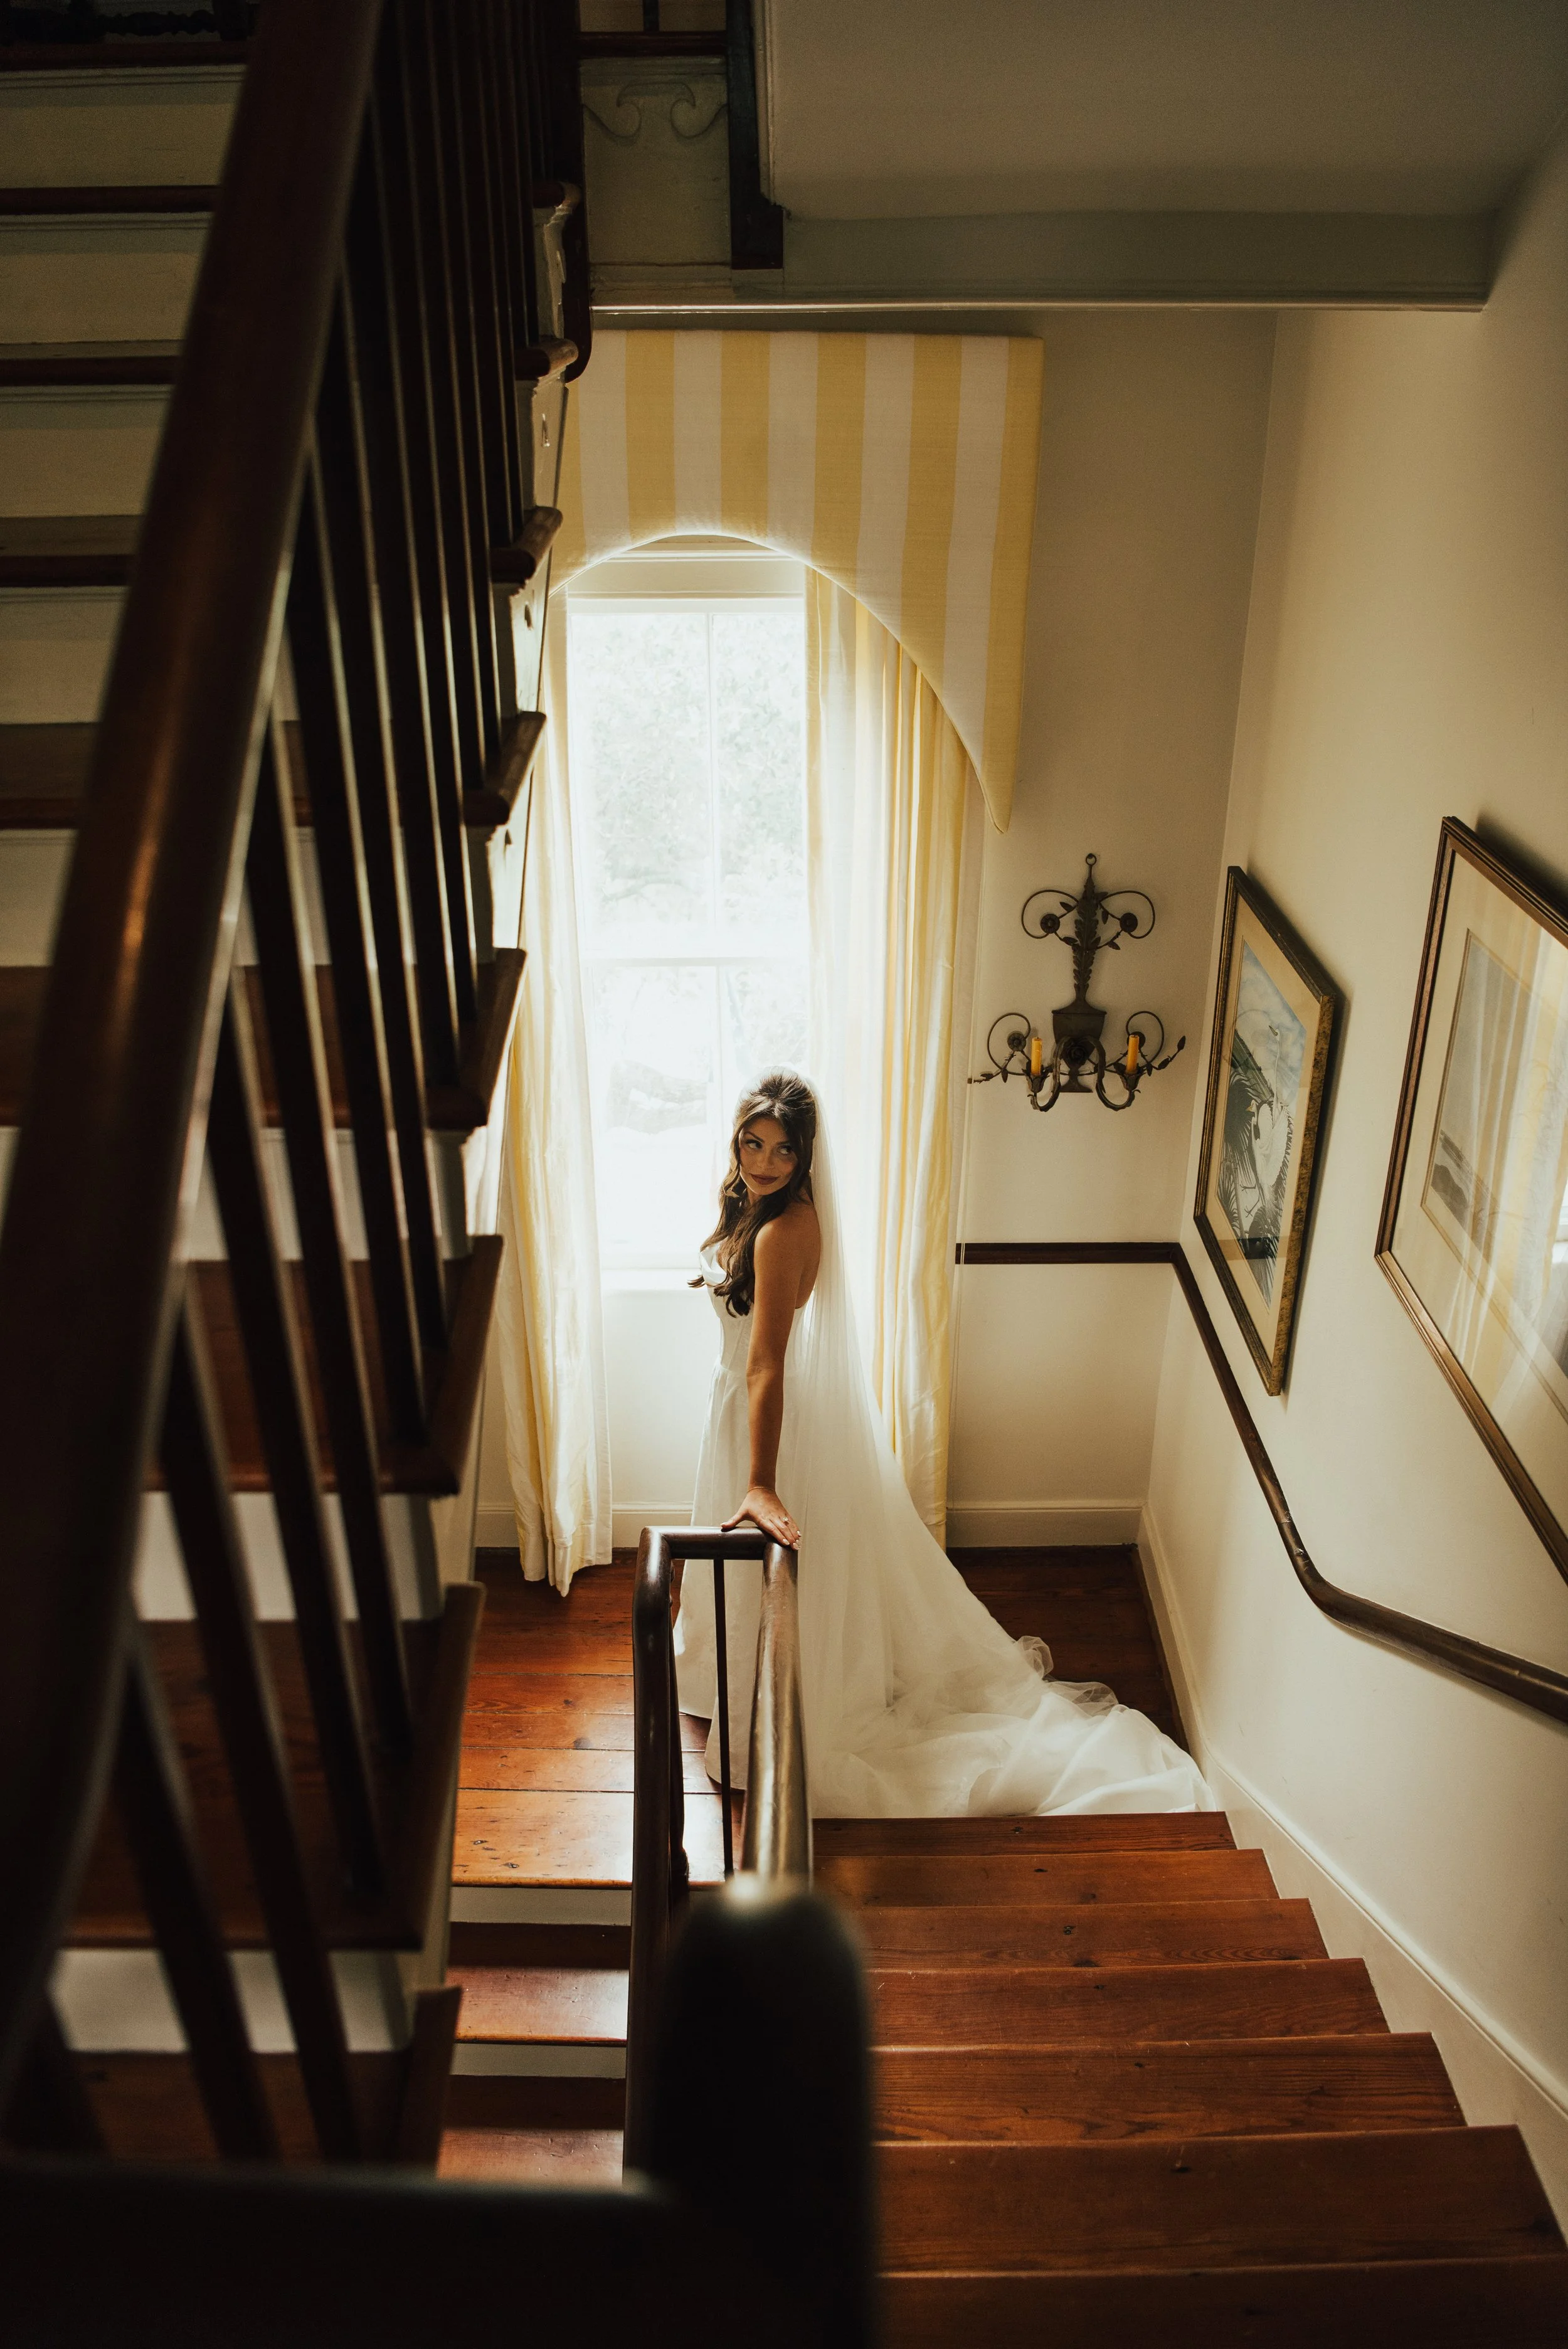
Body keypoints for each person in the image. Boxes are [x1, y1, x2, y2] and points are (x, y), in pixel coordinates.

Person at [673, 1071, 1213, 1816]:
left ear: (806, 1157)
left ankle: (774, 1694)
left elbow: (766, 1364)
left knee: (775, 1572)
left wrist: (760, 1481)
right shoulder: (762, 1212)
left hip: (764, 1416)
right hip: (743, 1406)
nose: (764, 1161)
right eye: (752, 1143)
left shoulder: (780, 1231)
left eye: (783, 1150)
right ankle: (731, 1677)